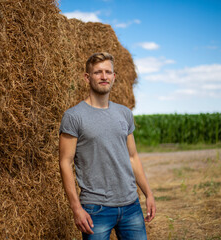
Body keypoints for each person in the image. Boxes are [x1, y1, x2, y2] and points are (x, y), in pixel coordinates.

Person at [59, 52, 155, 240]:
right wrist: (76, 208)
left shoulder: (124, 113)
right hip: (96, 208)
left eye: (108, 72)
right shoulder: (74, 116)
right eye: (98, 72)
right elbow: (65, 162)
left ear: (114, 77)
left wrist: (148, 194)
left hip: (131, 206)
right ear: (87, 77)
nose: (104, 77)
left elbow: (132, 157)